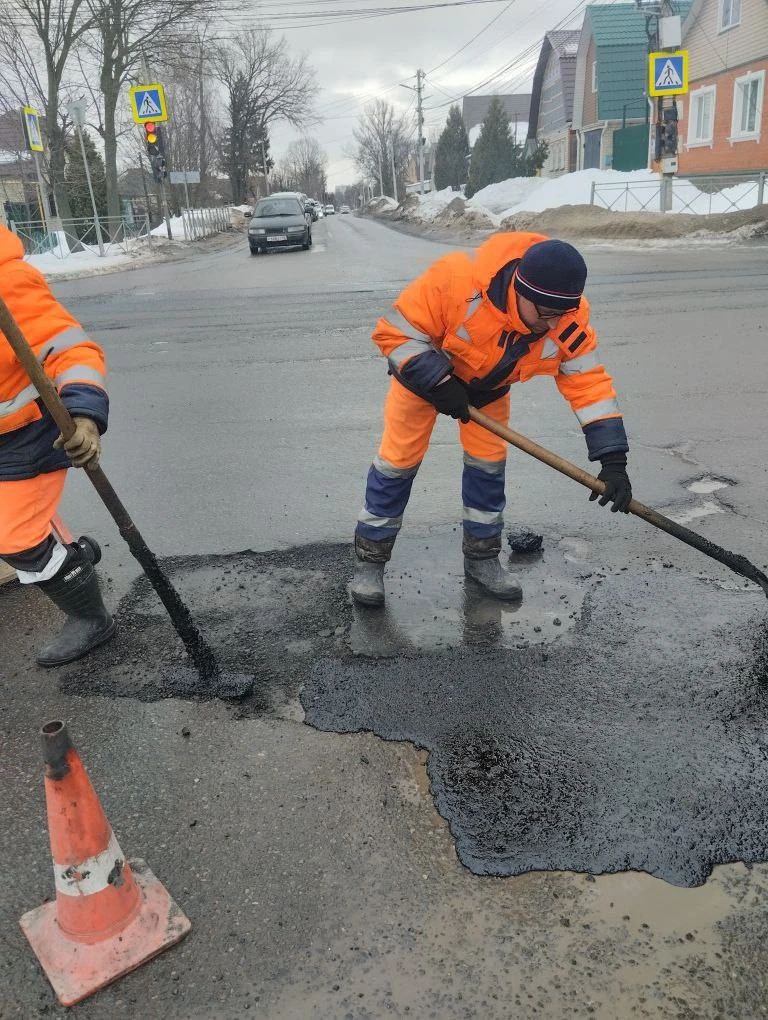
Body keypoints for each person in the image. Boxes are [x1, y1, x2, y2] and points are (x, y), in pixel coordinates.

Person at [351, 232, 632, 607]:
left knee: (488, 468)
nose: (552, 325)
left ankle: (481, 559)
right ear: (521, 292)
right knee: (396, 466)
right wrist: (439, 380)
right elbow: (393, 333)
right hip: (422, 383)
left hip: (487, 394)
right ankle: (370, 564)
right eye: (546, 314)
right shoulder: (456, 281)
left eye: (561, 314)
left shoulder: (567, 320)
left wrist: (613, 459)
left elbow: (589, 386)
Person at [0, 223, 114, 665]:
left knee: (16, 538)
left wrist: (84, 415)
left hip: (25, 434)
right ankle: (75, 557)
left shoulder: (8, 282)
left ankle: (91, 618)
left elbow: (72, 350)